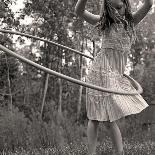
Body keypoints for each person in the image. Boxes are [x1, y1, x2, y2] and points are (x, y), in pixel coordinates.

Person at [75, 0, 153, 155]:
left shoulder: (131, 22)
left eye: (119, 7)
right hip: (100, 72)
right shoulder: (103, 22)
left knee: (111, 118)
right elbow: (79, 11)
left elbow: (149, 4)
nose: (116, 12)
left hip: (116, 74)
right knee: (95, 117)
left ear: (125, 4)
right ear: (106, 9)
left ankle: (119, 152)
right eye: (112, 9)